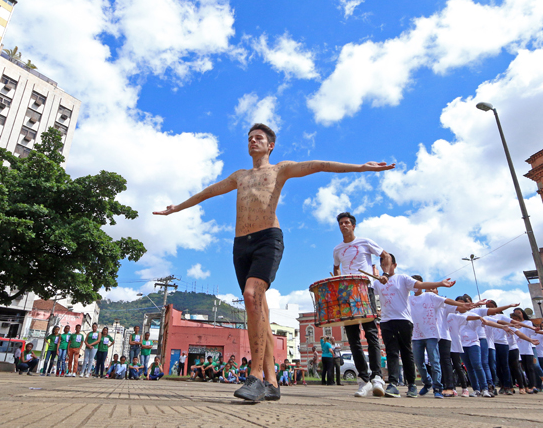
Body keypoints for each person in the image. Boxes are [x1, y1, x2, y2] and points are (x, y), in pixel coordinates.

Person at [155, 123, 395, 402]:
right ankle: (272, 382)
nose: (252, 141)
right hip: (240, 244)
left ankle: (255, 375)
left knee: (251, 294)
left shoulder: (279, 169)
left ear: (270, 145)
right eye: (249, 139)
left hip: (268, 238)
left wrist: (360, 167)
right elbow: (208, 192)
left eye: (258, 138)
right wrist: (177, 207)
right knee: (260, 311)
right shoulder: (239, 176)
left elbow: (319, 165)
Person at [371, 253, 455, 398]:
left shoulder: (402, 278)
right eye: (382, 263)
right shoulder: (377, 283)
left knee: (406, 353)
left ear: (394, 265)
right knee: (391, 352)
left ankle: (412, 385)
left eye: (387, 263)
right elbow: (367, 293)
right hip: (386, 321)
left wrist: (440, 283)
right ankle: (392, 384)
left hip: (403, 321)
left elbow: (420, 285)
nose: (385, 266)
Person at [332, 211, 391, 397]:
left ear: (353, 225)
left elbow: (386, 255)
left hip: (365, 290)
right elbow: (335, 268)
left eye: (347, 222)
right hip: (346, 294)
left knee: (372, 333)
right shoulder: (337, 250)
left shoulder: (365, 242)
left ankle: (377, 378)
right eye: (341, 223)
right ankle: (363, 380)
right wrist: (338, 279)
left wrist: (385, 274)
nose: (344, 225)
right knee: (352, 338)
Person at [410, 284, 469, 398]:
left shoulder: (443, 303)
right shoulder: (419, 300)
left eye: (434, 289)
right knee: (425, 362)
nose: (432, 290)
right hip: (425, 335)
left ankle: (448, 387)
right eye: (430, 288)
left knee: (445, 361)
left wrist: (467, 305)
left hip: (442, 335)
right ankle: (431, 383)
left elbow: (457, 308)